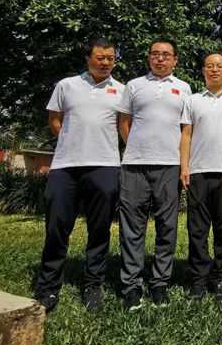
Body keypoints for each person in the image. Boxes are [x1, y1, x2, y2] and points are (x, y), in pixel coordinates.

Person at [35, 37, 124, 313]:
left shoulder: (121, 91)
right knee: (57, 227)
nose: (105, 63)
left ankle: (93, 285)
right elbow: (54, 120)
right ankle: (49, 286)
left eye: (110, 58)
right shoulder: (66, 85)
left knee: (99, 230)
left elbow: (124, 126)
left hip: (105, 166)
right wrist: (72, 143)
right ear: (88, 58)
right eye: (100, 57)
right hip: (66, 166)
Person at [118, 38, 192, 310]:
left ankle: (159, 284)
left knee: (167, 226)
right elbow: (123, 123)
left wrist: (183, 164)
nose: (160, 59)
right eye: (155, 54)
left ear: (175, 60)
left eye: (166, 55)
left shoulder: (184, 88)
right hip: (134, 166)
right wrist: (138, 148)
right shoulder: (134, 85)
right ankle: (131, 286)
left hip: (169, 166)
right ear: (149, 57)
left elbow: (186, 129)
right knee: (132, 227)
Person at [180, 52, 222, 302]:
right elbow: (186, 135)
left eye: (219, 66)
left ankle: (221, 278)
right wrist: (184, 166)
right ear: (203, 71)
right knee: (197, 229)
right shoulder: (193, 101)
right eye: (209, 66)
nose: (214, 70)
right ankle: (199, 279)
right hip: (199, 172)